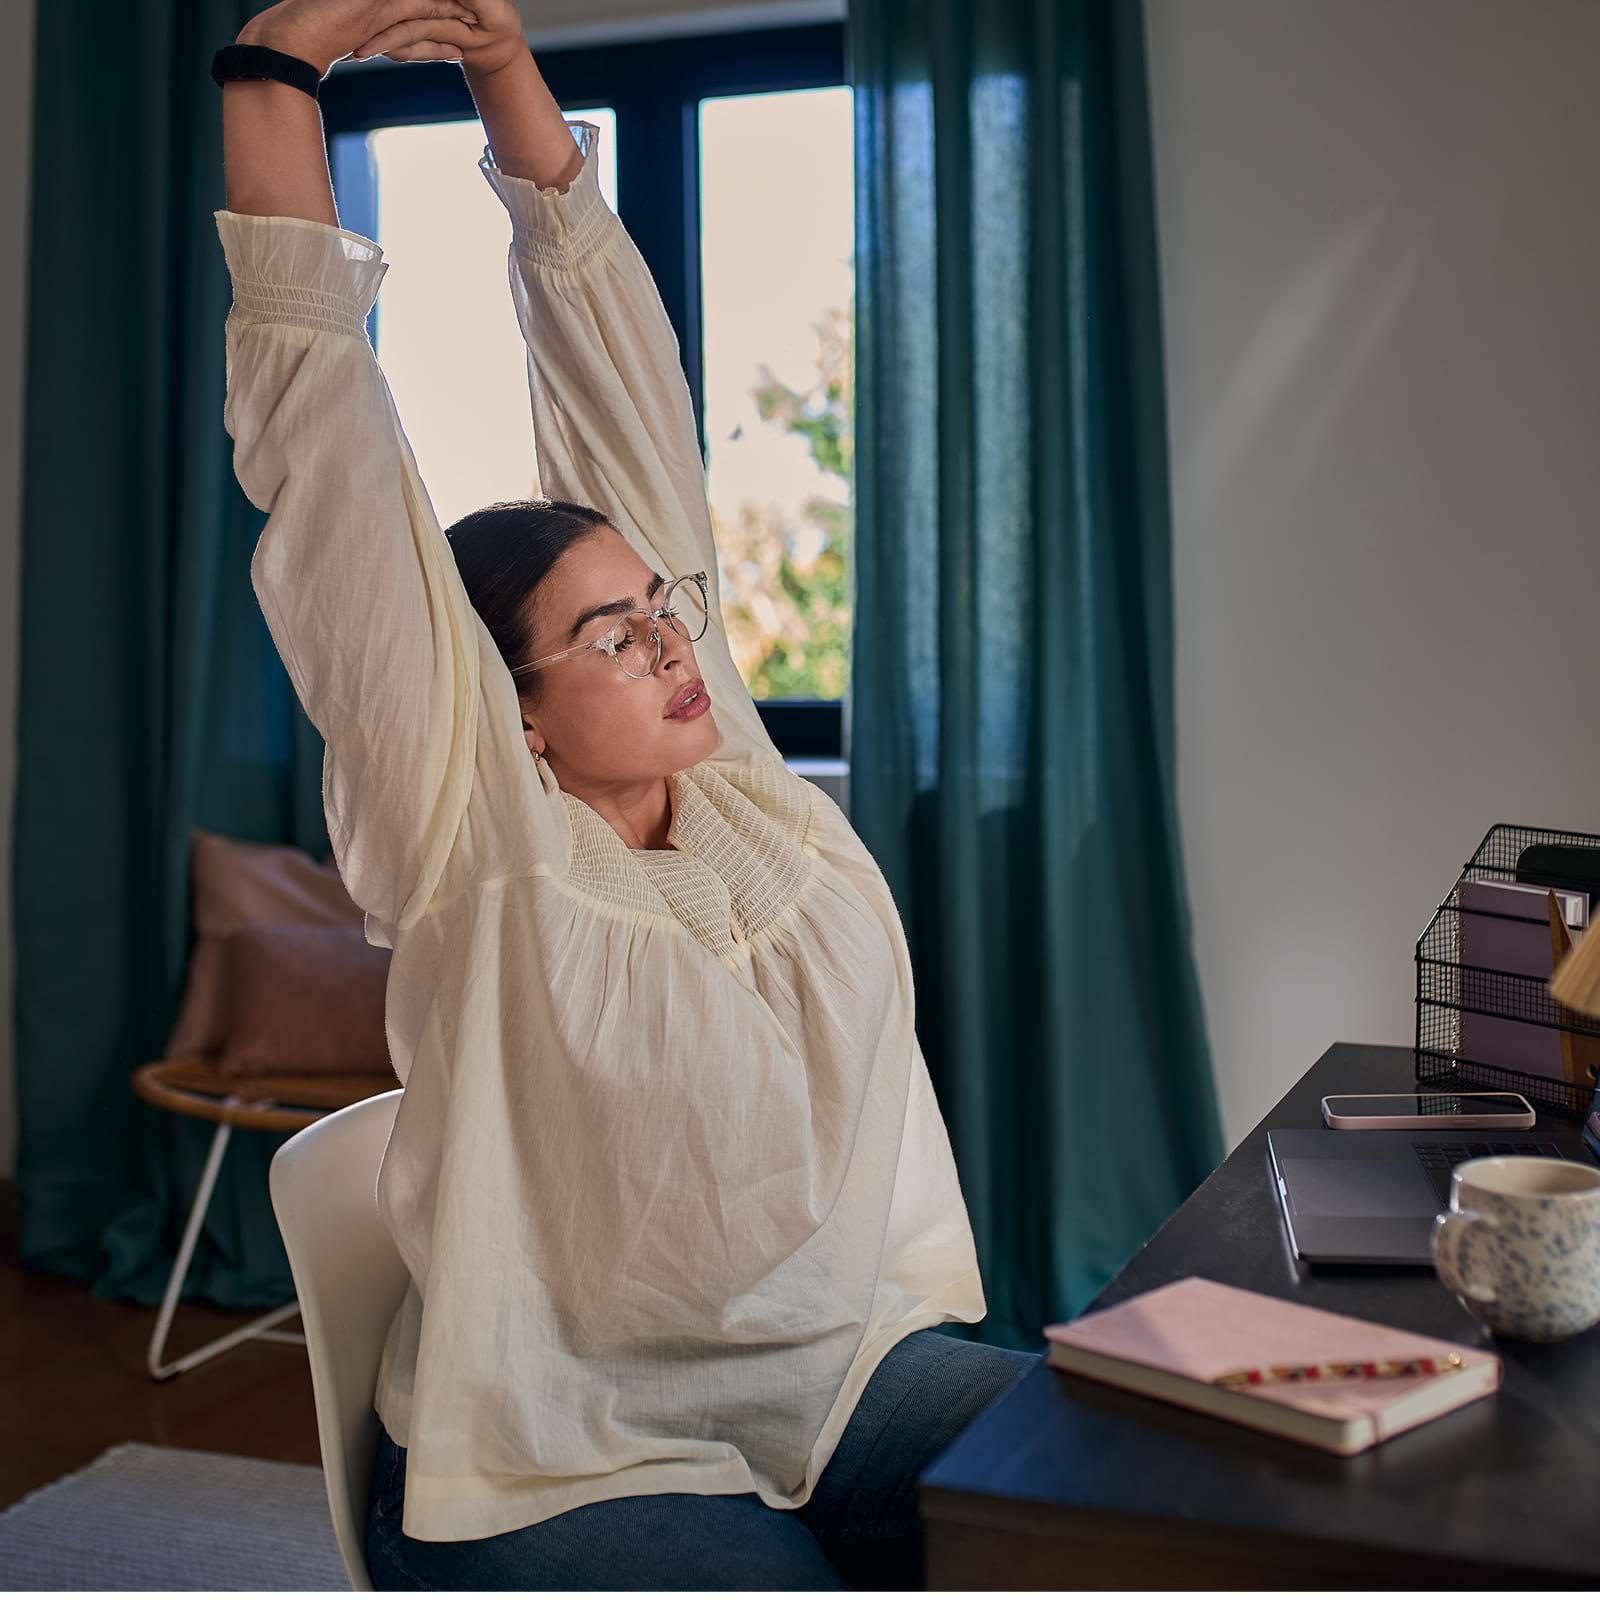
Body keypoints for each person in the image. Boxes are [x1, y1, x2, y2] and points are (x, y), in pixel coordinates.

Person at [216, 0, 1041, 1587]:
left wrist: (501, 61)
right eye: (615, 634)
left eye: (665, 607)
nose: (674, 643)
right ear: (508, 715)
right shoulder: (474, 832)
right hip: (561, 1451)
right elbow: (322, 428)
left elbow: (621, 378)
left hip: (854, 1378)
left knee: (1133, 1508)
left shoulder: (728, 764)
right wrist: (279, 57)